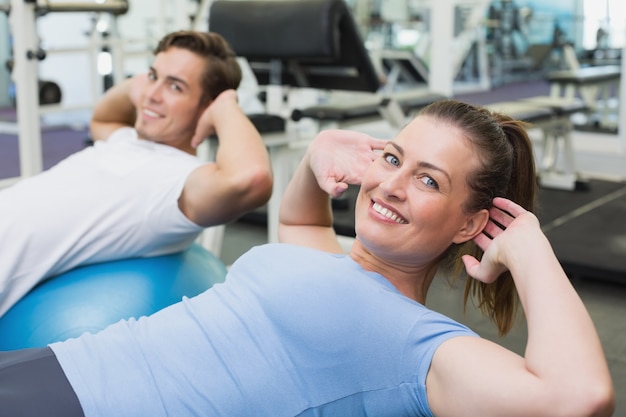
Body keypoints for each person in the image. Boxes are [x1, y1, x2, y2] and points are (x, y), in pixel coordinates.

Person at [0, 100, 614, 417]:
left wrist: (529, 245)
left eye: (429, 182)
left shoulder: (414, 344)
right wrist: (318, 159)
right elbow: (297, 220)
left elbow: (578, 397)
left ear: (470, 224)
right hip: (70, 362)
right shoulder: (338, 264)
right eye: (394, 158)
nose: (392, 186)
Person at [0, 30, 273, 316]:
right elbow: (103, 116)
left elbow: (251, 179)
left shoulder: (178, 183)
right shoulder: (127, 139)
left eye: (176, 87)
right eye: (153, 76)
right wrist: (144, 84)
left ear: (207, 107)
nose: (152, 95)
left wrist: (226, 104)